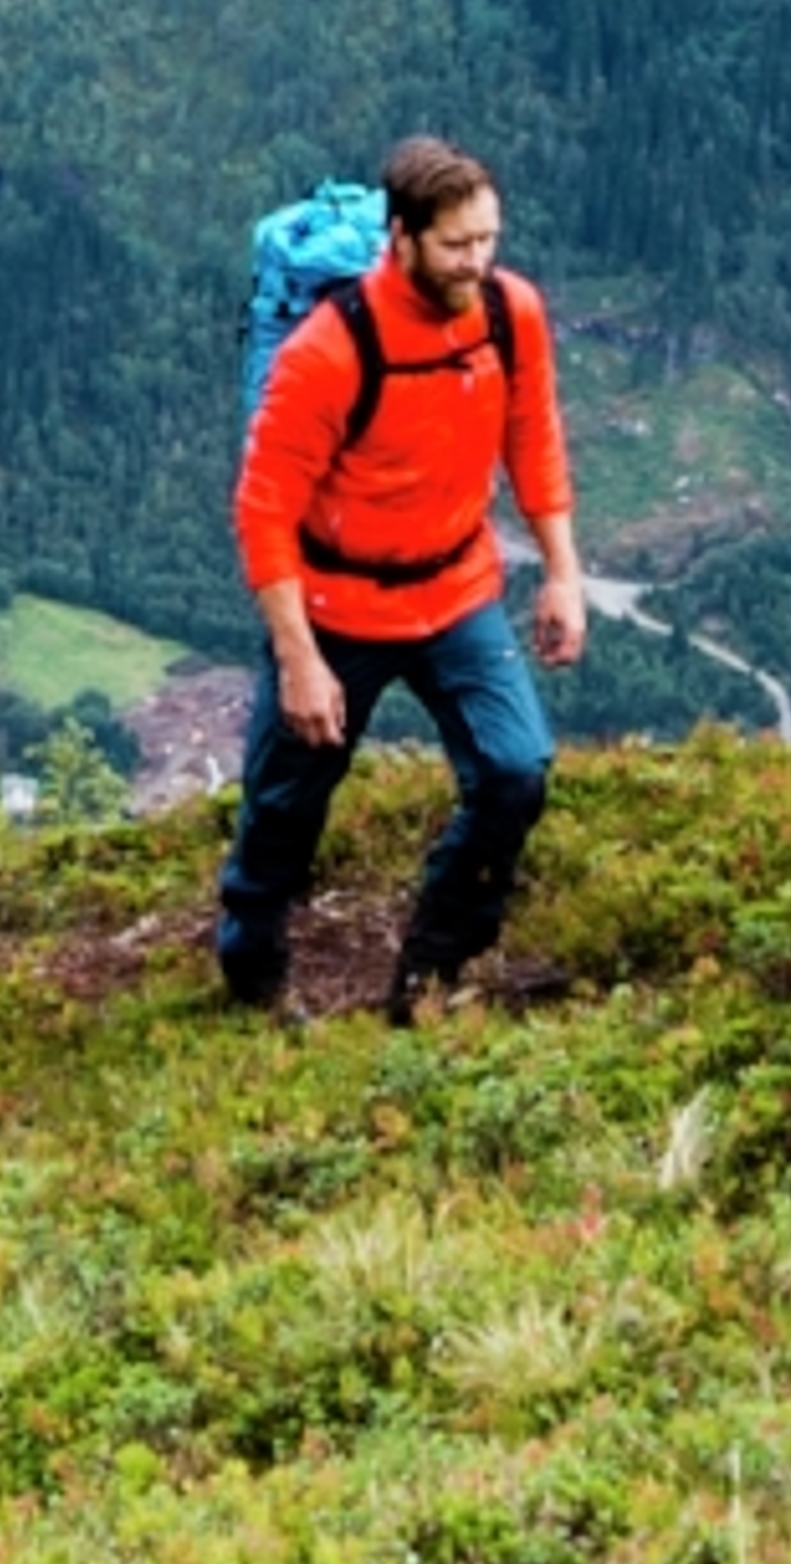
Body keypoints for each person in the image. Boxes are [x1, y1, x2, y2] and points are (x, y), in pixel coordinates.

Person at [218, 134, 587, 1021]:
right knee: (285, 802)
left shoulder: (511, 313)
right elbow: (263, 511)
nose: (478, 261)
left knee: (515, 772)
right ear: (402, 237)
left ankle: (432, 969)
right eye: (457, 245)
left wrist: (562, 574)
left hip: (456, 589)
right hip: (336, 606)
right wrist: (299, 657)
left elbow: (532, 438)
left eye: (489, 239)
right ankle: (253, 972)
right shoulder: (327, 353)